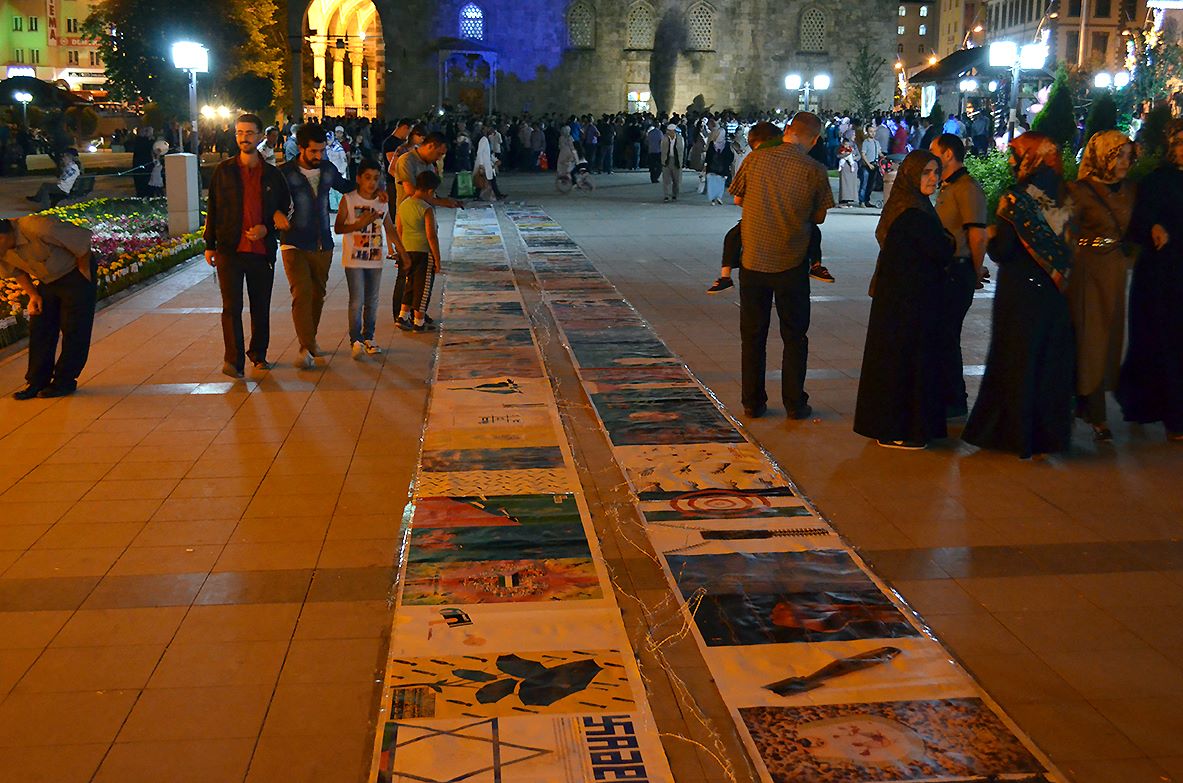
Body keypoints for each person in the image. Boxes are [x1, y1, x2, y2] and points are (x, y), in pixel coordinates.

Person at [963, 133, 1076, 458]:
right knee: (1047, 361)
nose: (1011, 161)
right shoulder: (1065, 196)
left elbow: (1004, 249)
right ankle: (1046, 438)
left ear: (1030, 158)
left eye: (1015, 154)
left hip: (1020, 292)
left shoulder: (1016, 199)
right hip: (1054, 292)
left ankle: (1014, 434)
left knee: (1016, 359)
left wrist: (992, 234)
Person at [729, 111, 834, 419]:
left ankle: (753, 402)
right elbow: (819, 216)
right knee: (795, 336)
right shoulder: (814, 169)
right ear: (815, 139)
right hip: (792, 262)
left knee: (753, 336)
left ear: (787, 129)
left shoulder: (755, 159)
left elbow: (737, 198)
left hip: (753, 260)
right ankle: (794, 403)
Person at [854, 150, 951, 449]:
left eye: (936, 172)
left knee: (899, 361)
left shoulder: (909, 205)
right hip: (905, 301)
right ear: (911, 175)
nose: (933, 179)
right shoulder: (910, 211)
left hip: (901, 297)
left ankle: (895, 425)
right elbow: (938, 249)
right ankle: (897, 428)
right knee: (902, 363)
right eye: (926, 173)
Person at [203, 114, 290, 378]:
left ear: (260, 136)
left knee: (260, 306)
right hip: (229, 249)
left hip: (261, 253)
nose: (244, 138)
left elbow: (286, 208)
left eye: (249, 133)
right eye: (240, 133)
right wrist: (209, 244)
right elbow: (213, 207)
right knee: (231, 307)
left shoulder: (272, 175)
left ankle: (258, 354)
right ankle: (233, 361)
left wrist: (268, 227)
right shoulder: (224, 171)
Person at [278, 122, 369, 369]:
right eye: (313, 151)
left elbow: (346, 187)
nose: (319, 156)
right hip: (293, 242)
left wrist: (370, 188)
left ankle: (310, 342)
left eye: (322, 151)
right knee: (302, 293)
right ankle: (306, 346)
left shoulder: (328, 169)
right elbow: (270, 201)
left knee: (317, 295)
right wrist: (276, 214)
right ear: (301, 148)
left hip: (322, 242)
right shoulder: (284, 173)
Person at [1067, 130, 1137, 441]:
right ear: (1102, 156)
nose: (1124, 162)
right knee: (1090, 339)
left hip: (1115, 271)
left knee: (1109, 340)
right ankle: (1093, 411)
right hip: (1087, 272)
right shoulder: (1078, 191)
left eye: (1127, 156)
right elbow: (1062, 229)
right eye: (1118, 156)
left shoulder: (1130, 190)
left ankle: (1091, 403)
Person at [1117, 119, 1183, 441]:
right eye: (1179, 142)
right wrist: (1152, 227)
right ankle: (1171, 414)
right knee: (1165, 340)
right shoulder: (1158, 181)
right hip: (1163, 274)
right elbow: (1138, 222)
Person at [1, 215, 95, 399]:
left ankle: (64, 381)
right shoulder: (2, 249)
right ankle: (37, 381)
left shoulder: (37, 227)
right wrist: (33, 295)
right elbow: (15, 271)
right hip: (47, 279)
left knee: (74, 328)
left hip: (74, 271)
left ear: (3, 236)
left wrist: (84, 273)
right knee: (40, 326)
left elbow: (82, 241)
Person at [930, 133, 988, 419]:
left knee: (947, 336)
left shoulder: (967, 188)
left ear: (948, 154)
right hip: (946, 270)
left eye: (933, 151)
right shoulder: (947, 186)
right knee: (941, 335)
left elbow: (977, 235)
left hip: (958, 270)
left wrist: (975, 271)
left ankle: (954, 399)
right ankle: (945, 395)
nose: (930, 157)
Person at [393, 132, 461, 327]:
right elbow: (411, 191)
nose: (439, 158)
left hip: (412, 227)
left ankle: (412, 313)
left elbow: (428, 195)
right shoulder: (407, 161)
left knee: (414, 281)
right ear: (431, 146)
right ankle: (411, 317)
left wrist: (443, 202)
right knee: (412, 280)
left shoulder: (429, 165)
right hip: (414, 233)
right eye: (439, 153)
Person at [707, 121, 781, 294]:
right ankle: (816, 264)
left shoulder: (753, 161)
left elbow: (738, 199)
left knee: (732, 238)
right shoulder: (797, 161)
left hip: (759, 218)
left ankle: (725, 276)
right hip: (789, 219)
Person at [336, 159, 399, 358]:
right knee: (357, 300)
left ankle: (369, 337)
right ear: (359, 178)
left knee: (372, 299)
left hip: (374, 258)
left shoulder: (382, 201)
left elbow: (389, 227)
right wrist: (359, 224)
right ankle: (355, 339)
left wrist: (403, 252)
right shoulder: (348, 199)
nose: (371, 182)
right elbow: (338, 227)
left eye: (375, 178)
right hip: (353, 258)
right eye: (367, 178)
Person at [396, 170, 444, 332]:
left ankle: (403, 316)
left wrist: (400, 252)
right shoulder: (426, 208)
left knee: (410, 284)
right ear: (430, 191)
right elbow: (431, 236)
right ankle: (419, 321)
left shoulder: (403, 205)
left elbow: (399, 230)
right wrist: (437, 259)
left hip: (407, 251)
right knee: (423, 288)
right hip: (423, 253)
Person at [704, 127, 733, 205]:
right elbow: (730, 156)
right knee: (718, 183)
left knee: (714, 183)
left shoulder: (714, 144)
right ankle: (716, 197)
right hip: (719, 168)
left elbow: (708, 156)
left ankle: (715, 198)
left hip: (715, 167)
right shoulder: (725, 144)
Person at [858, 124, 882, 208]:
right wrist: (868, 164)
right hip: (866, 166)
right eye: (871, 131)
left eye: (874, 131)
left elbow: (879, 152)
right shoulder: (866, 142)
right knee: (864, 184)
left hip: (875, 165)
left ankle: (867, 200)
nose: (873, 133)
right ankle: (861, 201)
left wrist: (883, 156)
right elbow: (863, 154)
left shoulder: (876, 143)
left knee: (871, 184)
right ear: (867, 132)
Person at [660, 124, 685, 202]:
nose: (669, 133)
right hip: (667, 160)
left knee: (676, 180)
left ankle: (675, 194)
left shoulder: (680, 138)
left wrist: (681, 161)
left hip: (676, 160)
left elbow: (682, 150)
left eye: (671, 131)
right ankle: (666, 195)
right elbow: (662, 149)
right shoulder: (664, 139)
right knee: (666, 179)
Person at [836, 133, 860, 206]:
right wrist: (844, 155)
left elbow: (859, 156)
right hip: (844, 167)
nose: (854, 136)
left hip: (852, 167)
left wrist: (854, 158)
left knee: (852, 184)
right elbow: (838, 155)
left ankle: (851, 198)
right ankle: (844, 199)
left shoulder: (854, 146)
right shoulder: (842, 146)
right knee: (844, 183)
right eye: (853, 135)